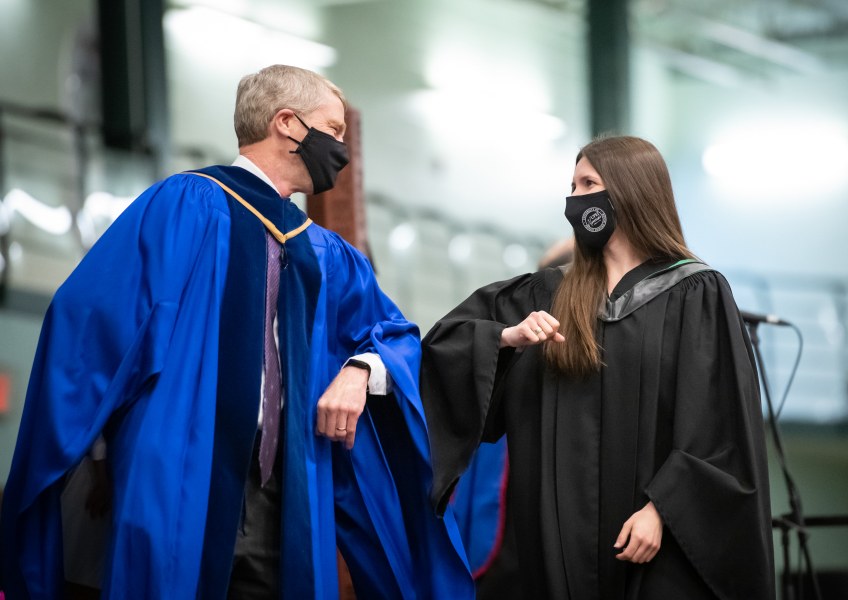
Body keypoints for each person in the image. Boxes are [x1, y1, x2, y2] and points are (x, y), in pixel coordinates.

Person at [0, 64, 473, 600]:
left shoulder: (327, 254)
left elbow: (393, 333)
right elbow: (90, 325)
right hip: (180, 475)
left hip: (292, 493)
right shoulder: (182, 206)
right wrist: (105, 456)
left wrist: (360, 371)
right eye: (334, 130)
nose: (342, 149)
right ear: (289, 125)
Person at [420, 135, 775, 599]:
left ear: (631, 191)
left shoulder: (696, 293)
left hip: (657, 538)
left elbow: (720, 426)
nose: (575, 197)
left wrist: (662, 510)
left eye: (588, 183)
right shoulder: (544, 293)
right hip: (556, 541)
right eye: (572, 184)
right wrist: (506, 339)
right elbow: (442, 349)